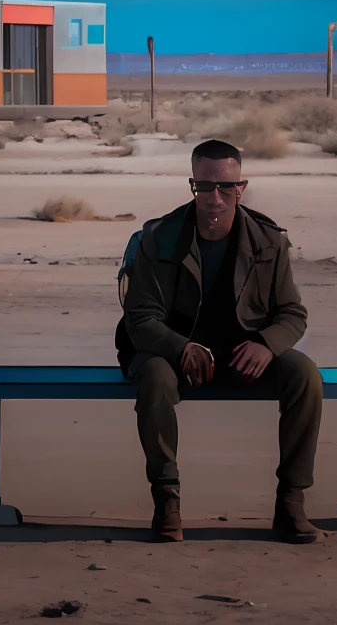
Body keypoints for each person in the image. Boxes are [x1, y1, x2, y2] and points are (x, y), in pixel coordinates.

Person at [114, 138, 322, 543]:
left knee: (304, 374)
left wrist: (267, 343)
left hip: (244, 353)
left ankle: (291, 502)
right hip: (175, 354)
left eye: (226, 187)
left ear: (241, 187)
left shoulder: (268, 240)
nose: (215, 197)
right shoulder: (160, 237)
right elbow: (140, 318)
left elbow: (292, 314)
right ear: (192, 185)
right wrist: (181, 347)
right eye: (204, 186)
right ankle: (167, 500)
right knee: (154, 376)